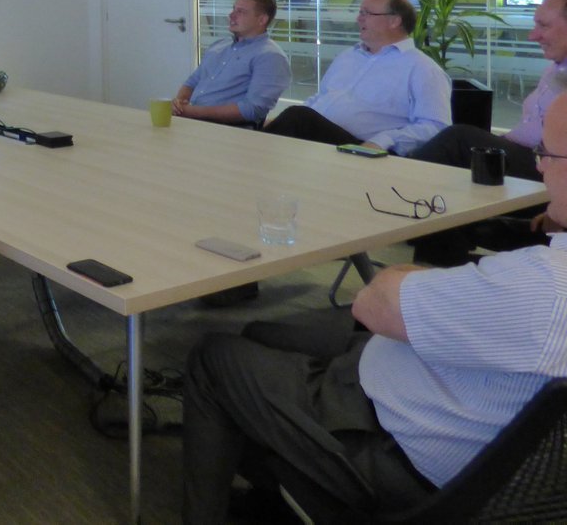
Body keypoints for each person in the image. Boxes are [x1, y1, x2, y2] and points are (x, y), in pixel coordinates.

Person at [180, 91, 567, 524]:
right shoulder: (539, 280)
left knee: (213, 357)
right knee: (261, 333)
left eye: (547, 153)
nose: (536, 165)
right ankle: (273, 493)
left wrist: (404, 275)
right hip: (447, 401)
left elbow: (373, 303)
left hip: (391, 447)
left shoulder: (542, 287)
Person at [406, 0, 567, 263]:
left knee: (458, 139)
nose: (533, 35)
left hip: (549, 165)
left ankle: (397, 201)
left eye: (543, 25)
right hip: (526, 154)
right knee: (453, 177)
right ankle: (439, 262)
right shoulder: (555, 69)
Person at [263, 0, 451, 155]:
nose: (358, 19)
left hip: (363, 148)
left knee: (297, 118)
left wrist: (383, 141)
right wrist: (279, 122)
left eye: (366, 13)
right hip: (315, 140)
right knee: (277, 124)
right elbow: (322, 97)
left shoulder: (422, 68)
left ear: (395, 21)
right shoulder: (349, 56)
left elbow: (436, 126)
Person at [171, 0, 290, 127]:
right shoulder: (219, 46)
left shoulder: (270, 57)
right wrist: (178, 103)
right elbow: (192, 82)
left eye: (241, 12)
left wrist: (192, 112)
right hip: (191, 120)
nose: (231, 15)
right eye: (234, 9)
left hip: (225, 129)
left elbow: (252, 110)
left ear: (262, 19)